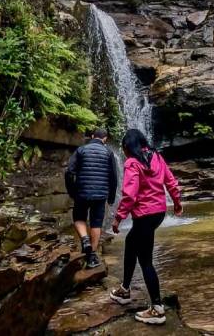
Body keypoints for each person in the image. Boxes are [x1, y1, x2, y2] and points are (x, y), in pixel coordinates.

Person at [109, 128, 183, 325]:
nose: (124, 151)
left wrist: (118, 218)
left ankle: (157, 309)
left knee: (146, 261)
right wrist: (176, 203)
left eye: (124, 147)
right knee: (131, 241)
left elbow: (130, 194)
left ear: (129, 147)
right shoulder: (157, 157)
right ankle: (124, 289)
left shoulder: (132, 163)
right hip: (158, 213)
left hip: (144, 215)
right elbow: (171, 182)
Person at [65, 127, 118, 269]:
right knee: (96, 223)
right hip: (100, 195)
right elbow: (113, 177)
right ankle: (92, 257)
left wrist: (72, 191)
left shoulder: (81, 150)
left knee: (78, 218)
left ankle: (84, 239)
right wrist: (111, 198)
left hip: (82, 192)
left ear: (92, 136)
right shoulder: (108, 152)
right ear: (105, 139)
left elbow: (70, 171)